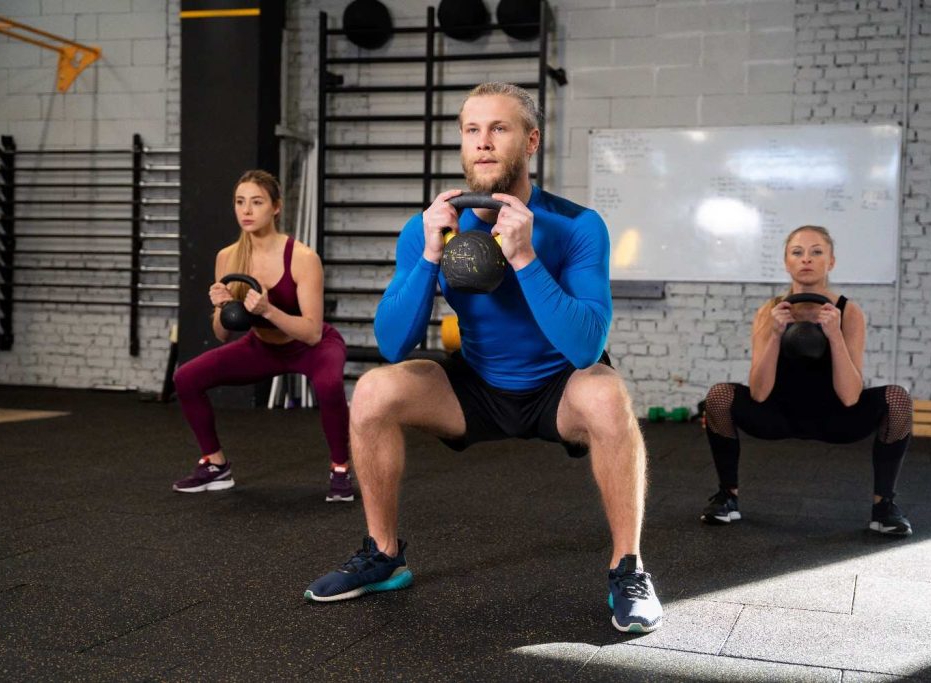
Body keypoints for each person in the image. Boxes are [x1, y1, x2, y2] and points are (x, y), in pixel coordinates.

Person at [303, 83, 663, 634]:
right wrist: (428, 253)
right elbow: (394, 344)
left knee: (608, 391)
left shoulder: (576, 226)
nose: (484, 143)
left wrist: (524, 257)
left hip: (556, 389)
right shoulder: (432, 226)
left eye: (500, 128)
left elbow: (586, 347)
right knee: (375, 389)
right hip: (475, 387)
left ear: (532, 140)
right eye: (472, 130)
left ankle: (628, 569)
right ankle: (383, 555)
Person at [699, 225, 913, 536]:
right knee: (718, 396)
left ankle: (885, 506)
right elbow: (759, 393)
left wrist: (835, 335)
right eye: (797, 252)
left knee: (897, 398)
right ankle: (727, 497)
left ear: (831, 262)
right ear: (787, 262)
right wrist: (775, 333)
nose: (806, 259)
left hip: (835, 416)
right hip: (778, 414)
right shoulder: (769, 312)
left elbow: (851, 396)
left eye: (816, 252)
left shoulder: (848, 312)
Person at [171, 170, 354, 502]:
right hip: (262, 346)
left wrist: (268, 311)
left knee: (328, 385)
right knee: (186, 378)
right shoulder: (227, 258)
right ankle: (215, 465)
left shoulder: (302, 258)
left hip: (310, 346)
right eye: (240, 202)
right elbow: (221, 334)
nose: (247, 211)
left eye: (257, 202)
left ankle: (340, 468)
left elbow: (312, 332)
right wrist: (223, 307)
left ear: (276, 208)